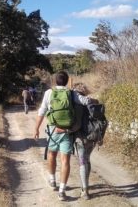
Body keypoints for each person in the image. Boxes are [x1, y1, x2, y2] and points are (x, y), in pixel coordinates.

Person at [34, 71, 91, 201]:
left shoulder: (49, 93)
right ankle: (62, 191)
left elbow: (42, 111)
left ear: (55, 81)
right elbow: (85, 101)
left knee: (51, 154)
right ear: (66, 81)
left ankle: (52, 180)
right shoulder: (71, 93)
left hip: (52, 130)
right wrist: (93, 99)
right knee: (65, 160)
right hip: (67, 131)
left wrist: (36, 129)